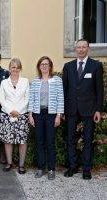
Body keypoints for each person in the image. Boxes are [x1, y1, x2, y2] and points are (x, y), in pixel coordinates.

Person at [62, 39, 103, 180]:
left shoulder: (95, 66)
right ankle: (72, 167)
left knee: (88, 140)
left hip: (89, 109)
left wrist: (98, 110)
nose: (81, 49)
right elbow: (64, 90)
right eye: (78, 47)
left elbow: (99, 90)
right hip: (71, 109)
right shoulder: (68, 66)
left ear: (88, 48)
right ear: (75, 49)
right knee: (71, 139)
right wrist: (62, 110)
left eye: (83, 47)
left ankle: (86, 169)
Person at [28, 56, 64, 180]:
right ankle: (41, 168)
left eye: (46, 64)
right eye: (42, 64)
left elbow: (60, 98)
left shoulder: (57, 80)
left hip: (51, 114)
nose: (44, 66)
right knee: (39, 141)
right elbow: (31, 99)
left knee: (50, 142)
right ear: (39, 66)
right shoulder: (35, 81)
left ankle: (51, 169)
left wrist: (59, 115)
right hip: (38, 114)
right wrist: (30, 114)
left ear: (50, 66)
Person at [0, 58, 30, 174]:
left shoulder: (25, 81)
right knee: (7, 140)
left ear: (20, 69)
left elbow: (27, 98)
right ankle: (9, 163)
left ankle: (21, 165)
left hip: (21, 114)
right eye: (13, 67)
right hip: (6, 114)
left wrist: (18, 111)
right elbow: (1, 99)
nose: (15, 69)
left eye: (17, 67)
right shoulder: (4, 82)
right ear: (9, 68)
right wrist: (10, 110)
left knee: (22, 141)